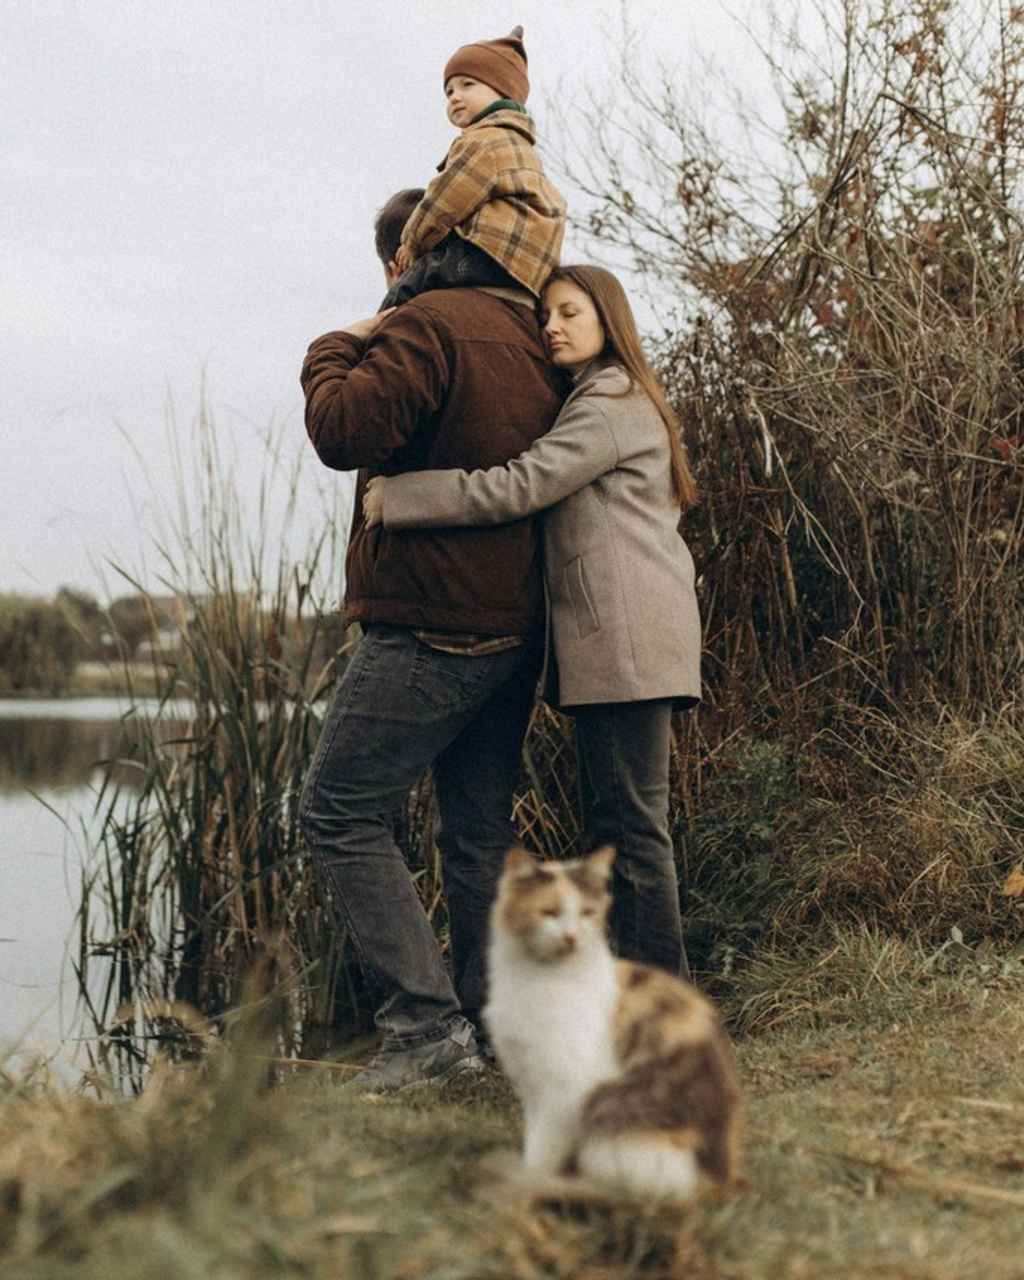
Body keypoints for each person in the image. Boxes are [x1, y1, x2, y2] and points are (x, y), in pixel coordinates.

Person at [300, 189, 566, 1092]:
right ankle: (491, 1034)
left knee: (339, 810)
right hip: (517, 624)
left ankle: (425, 1033)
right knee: (476, 831)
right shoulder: (534, 333)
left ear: (402, 258)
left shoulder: (422, 324)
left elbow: (344, 431)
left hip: (435, 620)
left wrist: (332, 348)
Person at [364, 265, 701, 978]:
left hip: (626, 643)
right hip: (627, 641)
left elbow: (522, 484)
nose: (552, 326)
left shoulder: (608, 400)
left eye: (570, 312)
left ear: (609, 321)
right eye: (546, 313)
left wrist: (400, 498)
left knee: (631, 831)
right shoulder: (605, 395)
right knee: (625, 826)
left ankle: (656, 1007)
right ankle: (640, 1001)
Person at [381, 25, 566, 310]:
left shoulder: (484, 141)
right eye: (449, 91)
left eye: (468, 85)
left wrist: (413, 242)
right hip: (527, 271)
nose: (455, 96)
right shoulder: (521, 147)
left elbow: (445, 199)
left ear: (503, 92)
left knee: (408, 286)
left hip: (490, 254)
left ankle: (379, 333)